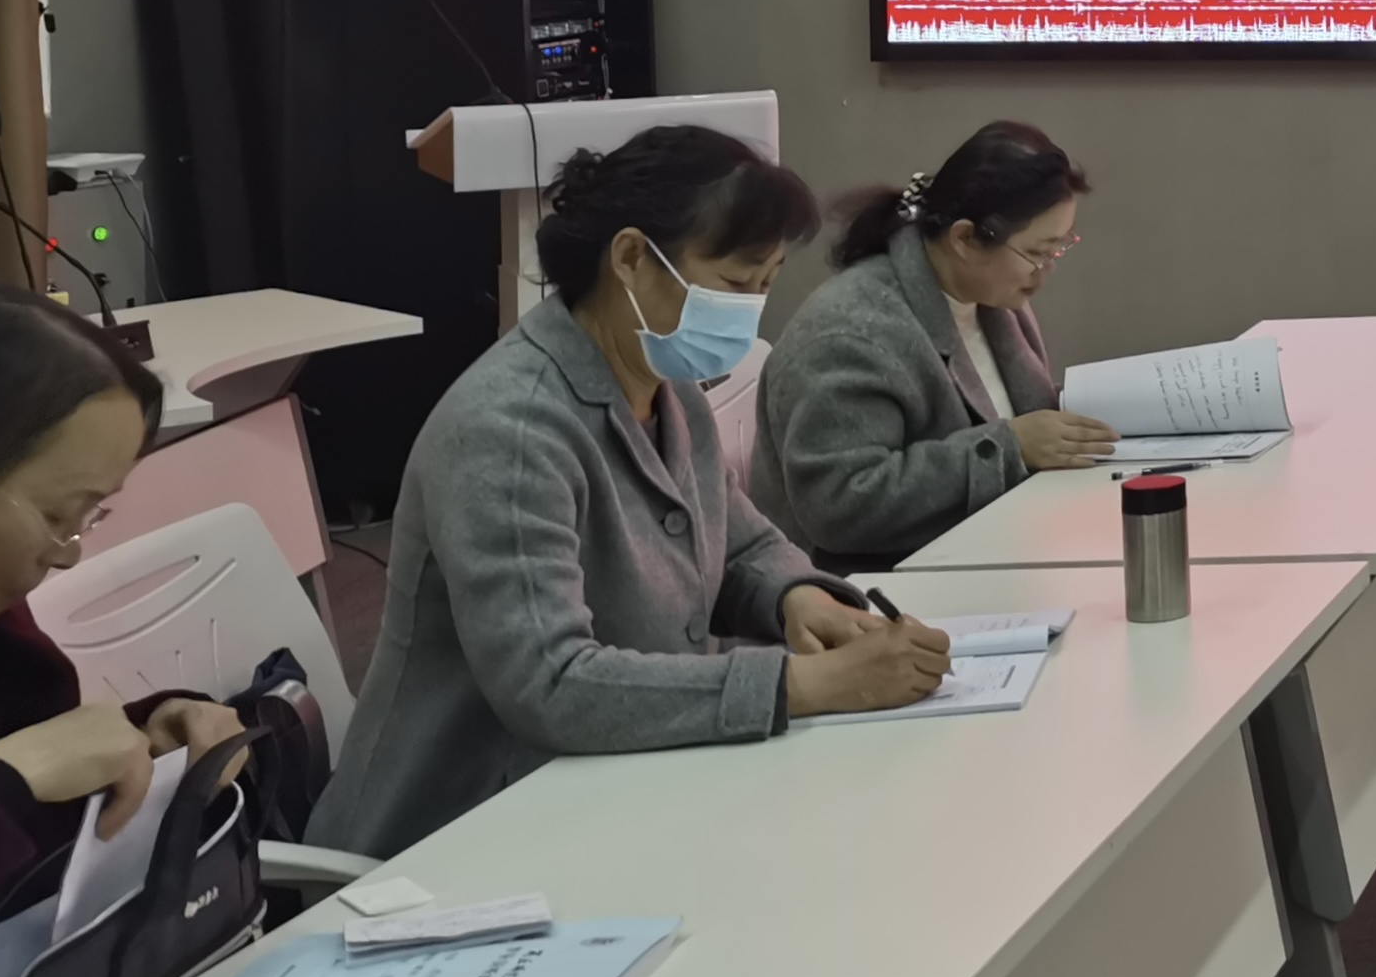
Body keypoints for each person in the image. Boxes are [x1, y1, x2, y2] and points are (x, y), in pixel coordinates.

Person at [313, 127, 952, 860]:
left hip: (618, 787)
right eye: (735, 283)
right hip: (464, 835)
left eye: (766, 283)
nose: (751, 310)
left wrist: (796, 598)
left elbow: (734, 540)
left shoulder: (666, 384)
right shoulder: (508, 428)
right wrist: (800, 684)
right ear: (630, 259)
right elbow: (551, 683)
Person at [0, 293, 248, 977]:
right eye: (57, 513)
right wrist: (8, 777)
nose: (67, 553)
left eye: (90, 514)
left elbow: (31, 762)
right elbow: (7, 773)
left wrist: (149, 732)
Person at [756, 122, 1107, 571]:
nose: (1047, 270)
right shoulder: (850, 334)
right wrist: (1010, 449)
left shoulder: (992, 297)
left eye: (1059, 248)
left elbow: (1017, 415)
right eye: (1038, 252)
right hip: (879, 585)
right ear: (964, 239)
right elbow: (839, 505)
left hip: (992, 546)